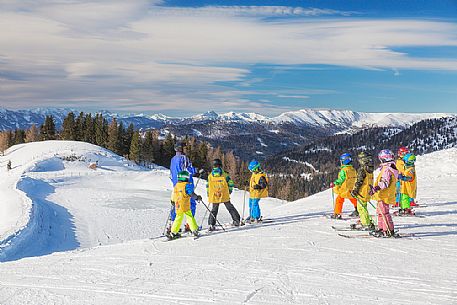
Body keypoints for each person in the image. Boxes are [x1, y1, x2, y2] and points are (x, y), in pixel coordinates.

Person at [168, 142, 198, 233]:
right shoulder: (184, 158)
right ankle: (189, 225)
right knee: (190, 203)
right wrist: (197, 170)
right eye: (184, 147)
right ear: (181, 148)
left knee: (176, 204)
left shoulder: (173, 159)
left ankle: (172, 225)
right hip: (186, 183)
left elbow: (171, 174)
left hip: (176, 185)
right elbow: (188, 170)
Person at [369, 149, 399, 237]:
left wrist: (376, 188)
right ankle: (382, 228)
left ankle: (388, 230)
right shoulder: (391, 167)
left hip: (384, 195)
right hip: (385, 194)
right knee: (380, 212)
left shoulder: (387, 169)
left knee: (384, 213)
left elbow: (384, 182)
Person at [207, 159, 241, 230]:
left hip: (214, 195)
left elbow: (208, 186)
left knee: (214, 210)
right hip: (224, 194)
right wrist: (230, 190)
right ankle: (236, 220)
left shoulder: (210, 176)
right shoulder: (225, 174)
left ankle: (211, 224)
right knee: (230, 207)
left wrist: (209, 194)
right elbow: (230, 183)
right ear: (220, 165)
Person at [167, 171, 202, 240]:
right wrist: (197, 197)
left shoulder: (177, 185)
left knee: (178, 218)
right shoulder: (187, 185)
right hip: (185, 205)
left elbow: (174, 194)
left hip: (178, 205)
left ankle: (173, 232)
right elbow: (190, 193)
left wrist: (173, 201)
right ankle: (194, 230)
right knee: (189, 216)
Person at [350, 152, 375, 230]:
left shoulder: (362, 169)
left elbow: (359, 181)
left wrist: (355, 191)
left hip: (362, 192)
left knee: (361, 208)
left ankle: (366, 223)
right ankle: (366, 220)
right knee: (364, 207)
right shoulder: (370, 169)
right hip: (368, 191)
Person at [330, 153, 358, 219]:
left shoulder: (344, 170)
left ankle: (337, 213)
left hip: (344, 189)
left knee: (339, 200)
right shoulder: (353, 169)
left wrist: (334, 183)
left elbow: (341, 179)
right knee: (353, 198)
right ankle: (358, 210)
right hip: (352, 188)